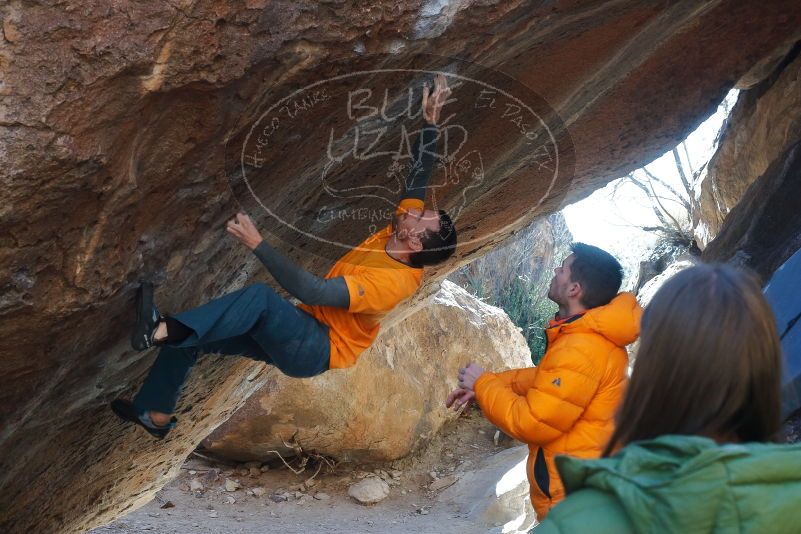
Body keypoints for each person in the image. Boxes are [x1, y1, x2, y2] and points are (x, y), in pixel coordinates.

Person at [112, 74, 457, 439]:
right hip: (303, 327)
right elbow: (418, 178)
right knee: (200, 334)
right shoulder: (401, 233)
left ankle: (158, 331)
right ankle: (157, 413)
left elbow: (315, 293)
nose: (412, 210)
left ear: (416, 243)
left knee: (258, 300)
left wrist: (258, 243)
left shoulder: (392, 283)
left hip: (314, 347)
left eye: (419, 216)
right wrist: (430, 122)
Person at [536, 264, 801, 533]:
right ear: (768, 370)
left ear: (652, 371)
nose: (556, 268)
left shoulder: (575, 522)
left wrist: (491, 384)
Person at [447, 244, 642, 519]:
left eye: (562, 269)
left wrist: (483, 384)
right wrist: (485, 386)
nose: (555, 270)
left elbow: (533, 422)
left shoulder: (580, 348)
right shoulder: (587, 340)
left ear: (574, 289)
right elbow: (543, 380)